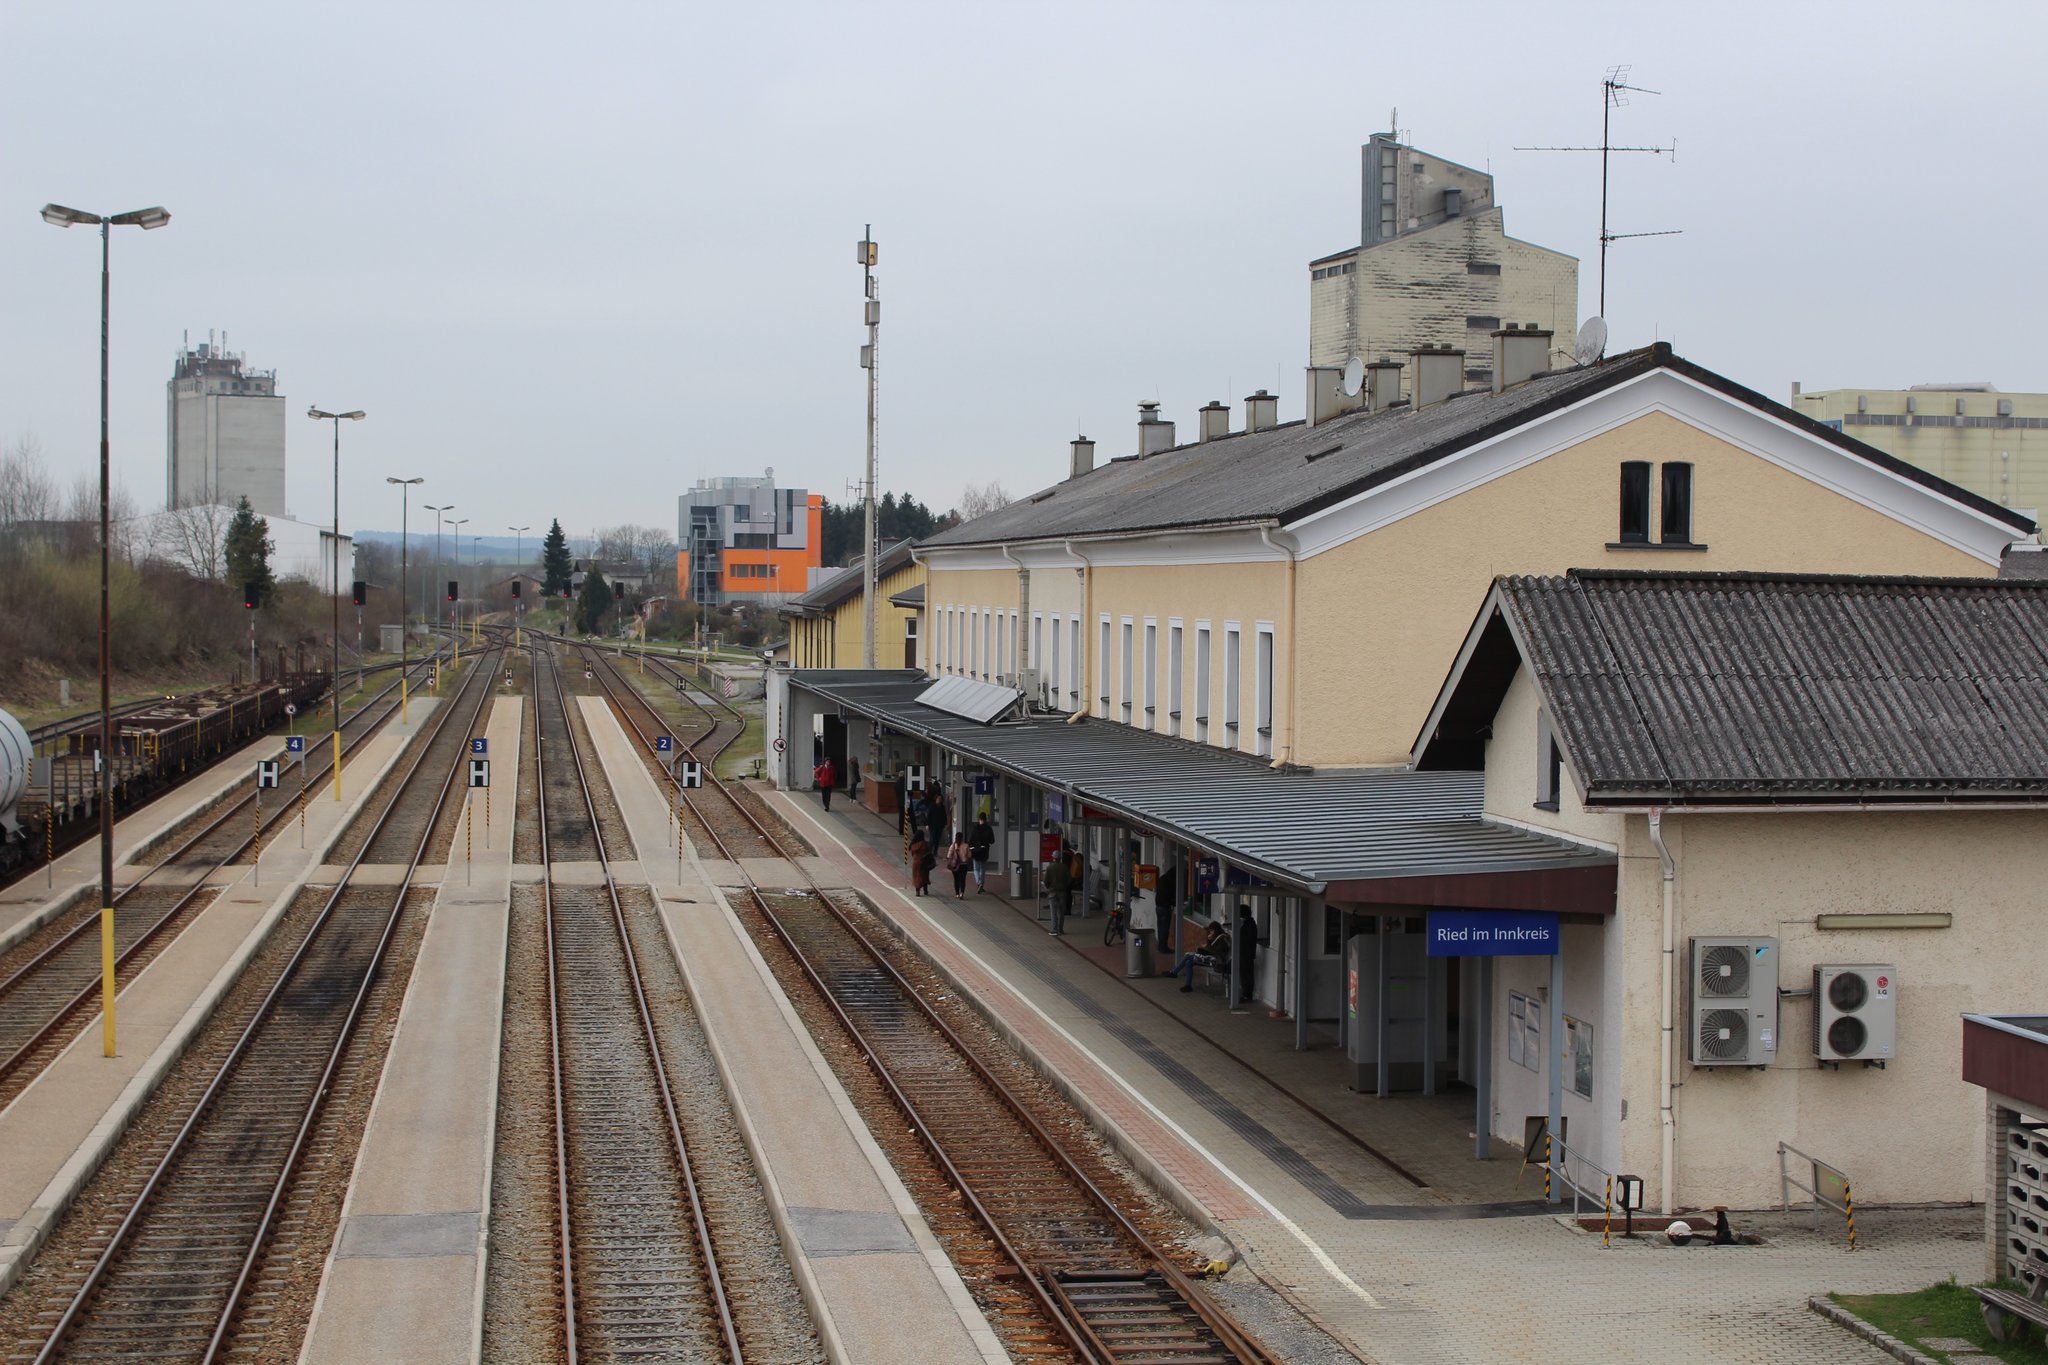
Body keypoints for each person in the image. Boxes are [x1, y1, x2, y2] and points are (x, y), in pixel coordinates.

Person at [1173, 920, 1231, 993]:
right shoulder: (1217, 938)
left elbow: (1216, 952)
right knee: (1188, 962)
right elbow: (1211, 949)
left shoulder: (1222, 939)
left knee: (1188, 956)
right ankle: (1188, 985)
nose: (1210, 933)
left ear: (1216, 930)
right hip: (1210, 958)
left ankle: (1174, 972)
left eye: (1212, 931)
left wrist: (1207, 946)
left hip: (1216, 961)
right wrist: (1209, 941)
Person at [1232, 904, 1260, 1004]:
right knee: (1244, 973)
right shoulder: (1246, 923)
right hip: (1243, 952)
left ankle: (1247, 994)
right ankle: (1245, 993)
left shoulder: (1250, 924)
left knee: (1246, 974)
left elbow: (1249, 939)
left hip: (1246, 953)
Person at [1043, 845, 1073, 935]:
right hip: (1062, 892)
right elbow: (1069, 880)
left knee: (1053, 912)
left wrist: (1049, 887)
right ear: (1060, 858)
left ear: (1053, 858)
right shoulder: (1065, 867)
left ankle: (1054, 929)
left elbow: (1046, 881)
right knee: (1061, 912)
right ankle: (1061, 929)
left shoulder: (1049, 868)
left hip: (1052, 893)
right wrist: (1064, 886)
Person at [968, 815, 995, 893]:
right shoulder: (989, 828)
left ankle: (979, 883)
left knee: (976, 869)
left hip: (976, 850)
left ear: (979, 819)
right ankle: (981, 885)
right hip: (984, 850)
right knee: (982, 869)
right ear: (985, 819)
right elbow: (992, 841)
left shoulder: (974, 828)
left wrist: (971, 846)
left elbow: (970, 840)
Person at [944, 834, 972, 898]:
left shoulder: (953, 846)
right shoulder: (966, 846)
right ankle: (962, 893)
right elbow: (970, 855)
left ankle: (957, 894)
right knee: (963, 879)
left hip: (955, 865)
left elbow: (949, 856)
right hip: (964, 865)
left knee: (956, 879)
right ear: (962, 838)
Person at [909, 832, 932, 896]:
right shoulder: (925, 843)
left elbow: (912, 853)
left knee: (917, 876)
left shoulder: (913, 844)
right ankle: (925, 890)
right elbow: (928, 851)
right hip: (924, 861)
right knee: (925, 875)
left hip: (916, 862)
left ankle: (917, 891)